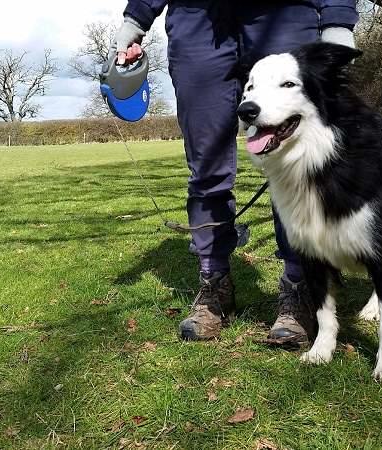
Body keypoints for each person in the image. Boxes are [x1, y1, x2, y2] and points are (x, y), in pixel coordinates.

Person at [116, 0, 359, 346]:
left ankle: (300, 286)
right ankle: (214, 284)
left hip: (285, 13)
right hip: (195, 20)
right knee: (205, 167)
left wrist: (338, 20)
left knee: (297, 166)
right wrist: (134, 21)